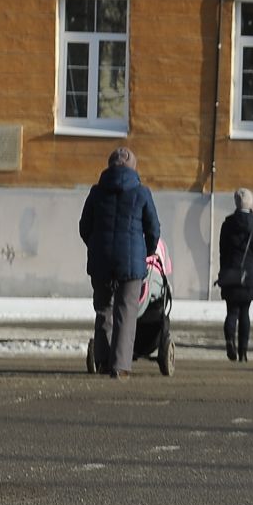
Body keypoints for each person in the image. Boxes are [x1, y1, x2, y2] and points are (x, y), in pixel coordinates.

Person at [79, 146, 161, 379]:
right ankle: (120, 365)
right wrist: (148, 250)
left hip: (101, 259)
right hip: (132, 261)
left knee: (104, 310)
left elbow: (84, 227)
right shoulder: (142, 193)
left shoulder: (96, 192)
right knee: (126, 311)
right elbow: (153, 228)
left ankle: (103, 360)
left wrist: (96, 246)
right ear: (134, 167)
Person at [217, 188, 253, 362]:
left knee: (232, 311)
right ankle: (243, 353)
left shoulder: (227, 225)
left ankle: (229, 341)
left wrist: (225, 270)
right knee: (245, 312)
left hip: (231, 273)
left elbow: (222, 251)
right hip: (249, 275)